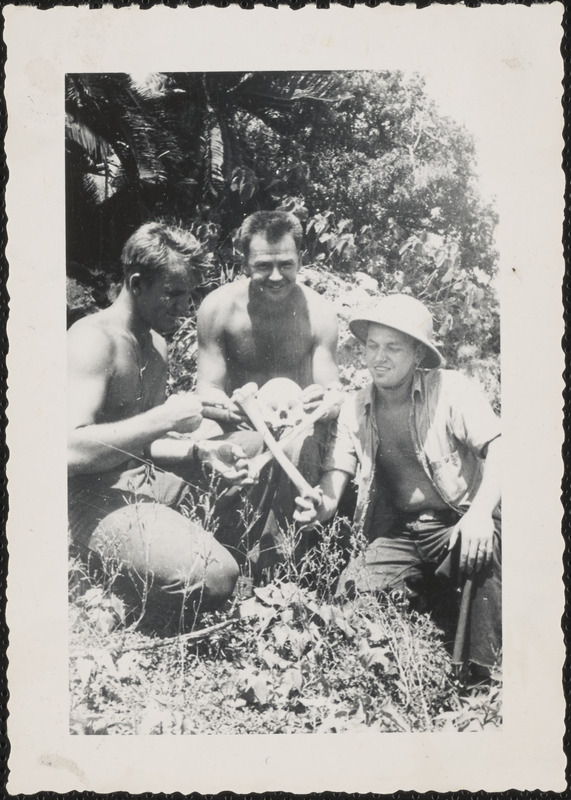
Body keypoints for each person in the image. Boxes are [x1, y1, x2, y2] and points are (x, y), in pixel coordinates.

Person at [295, 294, 501, 678]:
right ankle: (428, 611)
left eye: (393, 347)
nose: (379, 357)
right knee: (353, 598)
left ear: (418, 354)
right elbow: (332, 482)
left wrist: (479, 514)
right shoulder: (355, 408)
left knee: (484, 554)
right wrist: (316, 506)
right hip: (403, 535)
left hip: (459, 521)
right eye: (372, 346)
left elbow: (504, 448)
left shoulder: (450, 389)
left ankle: (479, 675)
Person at [68, 222, 251, 629]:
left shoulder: (156, 343)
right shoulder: (93, 342)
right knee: (215, 575)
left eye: (189, 294)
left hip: (140, 481)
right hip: (85, 498)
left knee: (252, 457)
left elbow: (141, 443)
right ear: (136, 283)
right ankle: (103, 583)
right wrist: (163, 417)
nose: (185, 307)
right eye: (173, 294)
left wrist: (199, 451)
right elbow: (65, 452)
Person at [195, 211, 343, 574]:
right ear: (242, 260)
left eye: (286, 264)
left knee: (300, 445)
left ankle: (282, 570)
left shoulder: (319, 313)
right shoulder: (218, 308)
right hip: (241, 427)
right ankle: (228, 557)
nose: (276, 276)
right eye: (263, 265)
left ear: (301, 260)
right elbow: (206, 391)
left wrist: (321, 403)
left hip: (297, 429)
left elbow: (332, 393)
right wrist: (227, 409)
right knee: (221, 448)